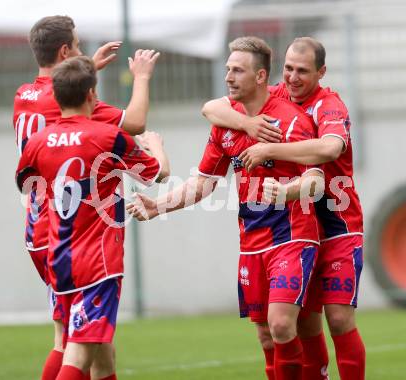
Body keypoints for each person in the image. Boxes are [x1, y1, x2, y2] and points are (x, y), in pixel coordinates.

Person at [126, 36, 324, 380]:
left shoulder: (292, 121)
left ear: (261, 77)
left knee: (280, 324)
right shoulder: (226, 126)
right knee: (265, 334)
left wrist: (289, 192)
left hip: (293, 236)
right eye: (228, 69)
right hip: (251, 241)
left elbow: (317, 181)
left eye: (238, 71)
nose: (228, 77)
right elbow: (203, 183)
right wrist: (157, 206)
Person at [202, 37, 365, 380]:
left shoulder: (329, 105)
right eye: (288, 68)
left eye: (302, 71)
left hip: (335, 223)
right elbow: (211, 108)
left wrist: (267, 150)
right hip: (296, 224)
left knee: (337, 318)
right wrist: (247, 125)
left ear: (321, 72)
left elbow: (331, 148)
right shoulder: (276, 94)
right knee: (302, 324)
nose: (292, 77)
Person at [12, 15, 160, 380]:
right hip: (73, 231)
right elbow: (137, 122)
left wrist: (86, 67)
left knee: (96, 342)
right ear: (64, 50)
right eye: (77, 48)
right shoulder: (89, 124)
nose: (81, 53)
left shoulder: (23, 95)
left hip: (39, 223)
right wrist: (140, 77)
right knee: (72, 341)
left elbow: (54, 87)